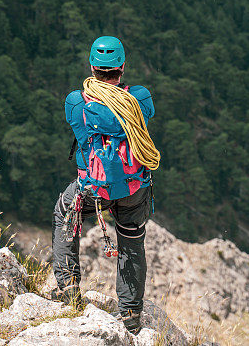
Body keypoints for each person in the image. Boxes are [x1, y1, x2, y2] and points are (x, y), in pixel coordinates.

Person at [51, 35, 158, 334]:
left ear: (92, 67)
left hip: (92, 188)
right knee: (132, 242)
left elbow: (78, 126)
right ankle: (130, 315)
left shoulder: (76, 101)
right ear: (122, 66)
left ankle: (68, 289)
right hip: (134, 186)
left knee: (64, 213)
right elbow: (144, 118)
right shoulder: (140, 98)